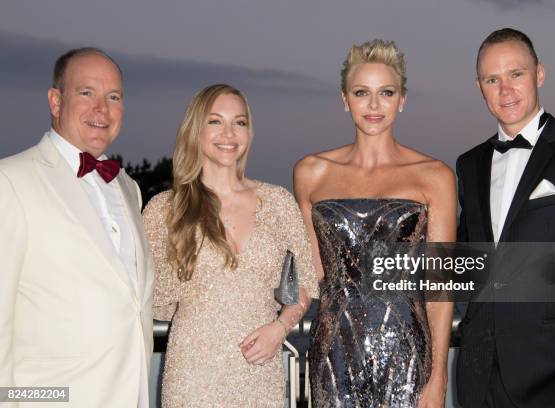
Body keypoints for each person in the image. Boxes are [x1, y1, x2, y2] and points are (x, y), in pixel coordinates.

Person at [455, 28, 555, 407]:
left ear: (539, 74)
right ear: (480, 87)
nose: (505, 90)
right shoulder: (469, 164)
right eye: (493, 79)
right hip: (480, 379)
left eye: (516, 74)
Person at [295, 40, 456, 407]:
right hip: (334, 352)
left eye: (386, 92)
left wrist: (438, 377)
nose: (373, 105)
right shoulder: (310, 173)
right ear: (344, 99)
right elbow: (312, 275)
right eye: (361, 92)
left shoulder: (434, 177)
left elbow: (440, 288)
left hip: (407, 354)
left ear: (402, 99)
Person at [143, 84, 319, 407]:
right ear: (195, 130)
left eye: (239, 122)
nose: (229, 133)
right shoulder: (165, 210)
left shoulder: (278, 203)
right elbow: (153, 298)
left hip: (260, 371)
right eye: (215, 121)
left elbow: (304, 281)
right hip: (192, 375)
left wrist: (280, 327)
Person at [0, 48, 154, 407]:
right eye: (87, 93)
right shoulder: (10, 180)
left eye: (113, 97)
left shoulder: (129, 189)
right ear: (55, 101)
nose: (102, 108)